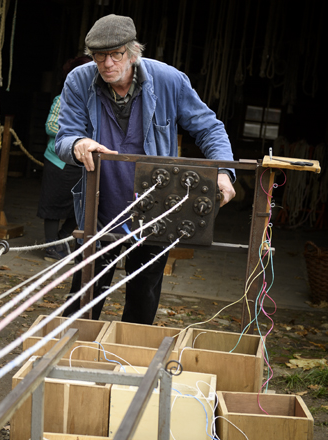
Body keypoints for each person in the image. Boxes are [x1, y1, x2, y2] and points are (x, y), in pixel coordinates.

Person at [56, 14, 236, 324]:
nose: (107, 63)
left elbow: (209, 128)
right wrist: (78, 144)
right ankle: (70, 360)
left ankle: (130, 365)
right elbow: (64, 138)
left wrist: (223, 170)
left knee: (143, 297)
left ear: (133, 51)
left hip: (154, 213)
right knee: (83, 298)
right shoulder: (79, 80)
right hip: (100, 211)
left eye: (116, 54)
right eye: (100, 55)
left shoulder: (169, 80)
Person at [38, 56, 92, 263]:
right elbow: (50, 127)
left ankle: (62, 238)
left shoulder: (96, 101)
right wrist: (77, 135)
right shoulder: (62, 99)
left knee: (79, 204)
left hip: (81, 162)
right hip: (58, 160)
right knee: (53, 204)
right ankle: (51, 245)